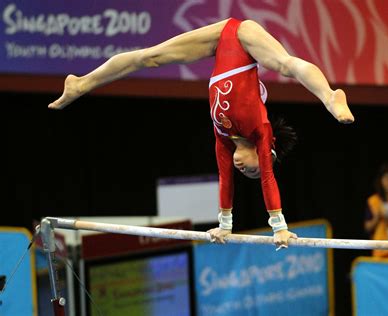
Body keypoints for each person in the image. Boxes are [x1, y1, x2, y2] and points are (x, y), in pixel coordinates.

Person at [48, 18, 354, 249]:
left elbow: (225, 181)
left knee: (149, 57)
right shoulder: (261, 131)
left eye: (244, 172)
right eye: (251, 169)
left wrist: (224, 225)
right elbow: (267, 180)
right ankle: (330, 95)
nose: (242, 168)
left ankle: (81, 83)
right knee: (285, 64)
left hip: (220, 39)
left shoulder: (223, 138)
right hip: (245, 35)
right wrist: (279, 227)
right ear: (265, 155)